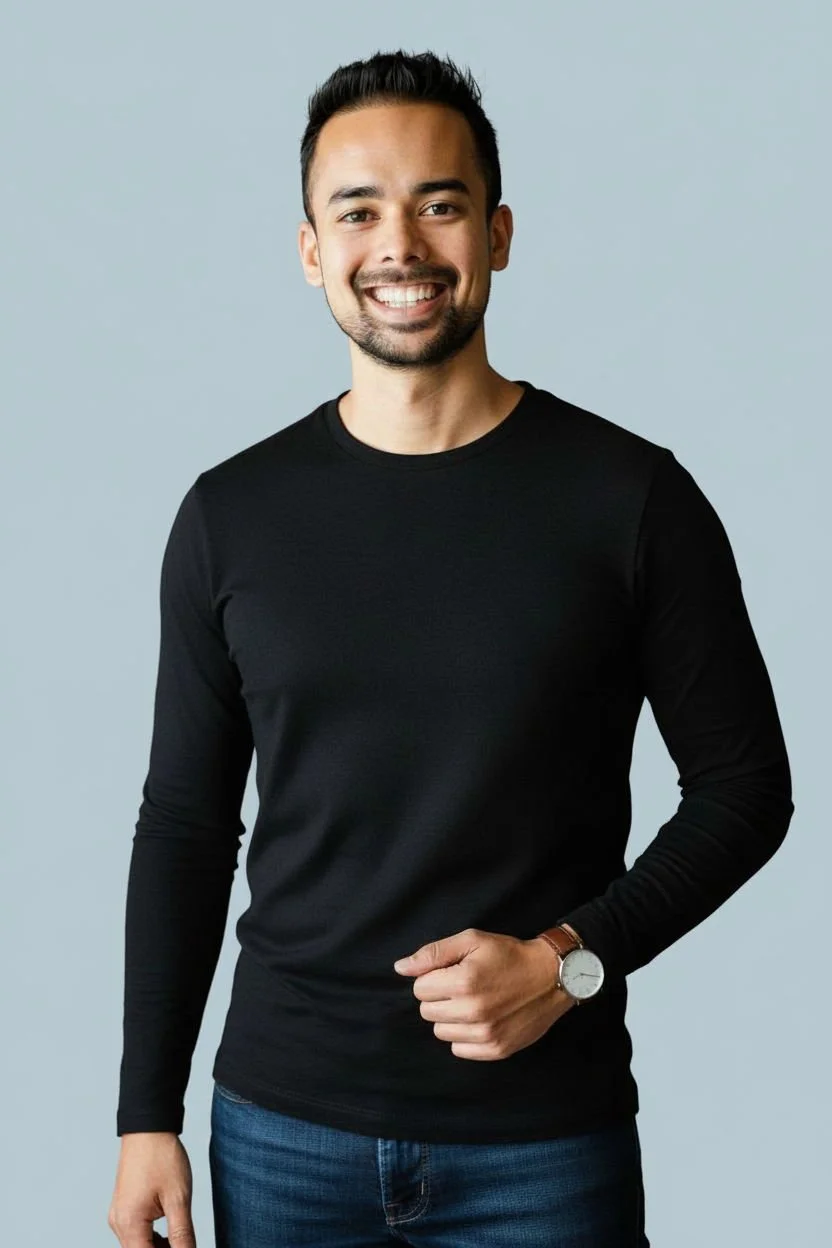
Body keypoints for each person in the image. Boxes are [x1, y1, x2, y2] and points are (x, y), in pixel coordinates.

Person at [108, 48, 793, 1248]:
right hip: (280, 1133)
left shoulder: (630, 500)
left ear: (497, 233)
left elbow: (746, 791)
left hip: (544, 1145)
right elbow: (184, 824)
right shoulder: (231, 515)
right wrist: (143, 1117)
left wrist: (569, 962)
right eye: (357, 211)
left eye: (438, 204)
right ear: (310, 249)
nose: (400, 246)